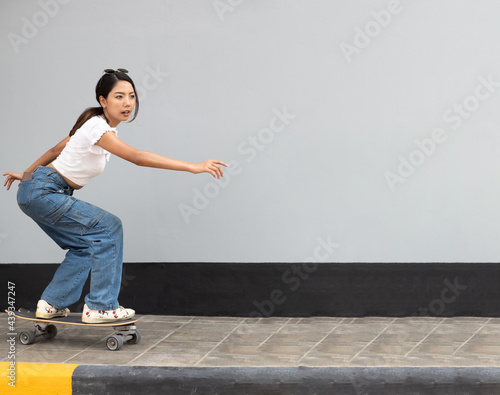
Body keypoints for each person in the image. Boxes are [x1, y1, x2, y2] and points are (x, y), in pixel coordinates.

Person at [3, 68, 227, 323]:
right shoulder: (97, 128)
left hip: (40, 190)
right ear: (103, 100)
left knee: (84, 246)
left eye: (131, 96)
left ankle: (52, 303)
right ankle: (100, 306)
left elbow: (56, 149)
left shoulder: (92, 126)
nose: (128, 103)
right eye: (119, 96)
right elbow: (137, 157)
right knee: (109, 227)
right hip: (45, 191)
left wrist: (28, 175)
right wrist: (193, 166)